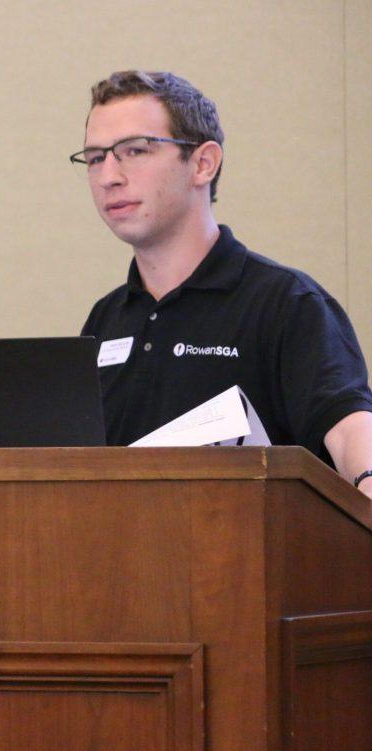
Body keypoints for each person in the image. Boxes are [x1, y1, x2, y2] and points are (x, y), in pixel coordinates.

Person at [73, 70, 372, 493]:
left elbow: (347, 428)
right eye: (95, 158)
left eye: (133, 151)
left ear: (202, 163)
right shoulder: (106, 318)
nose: (108, 177)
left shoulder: (286, 303)